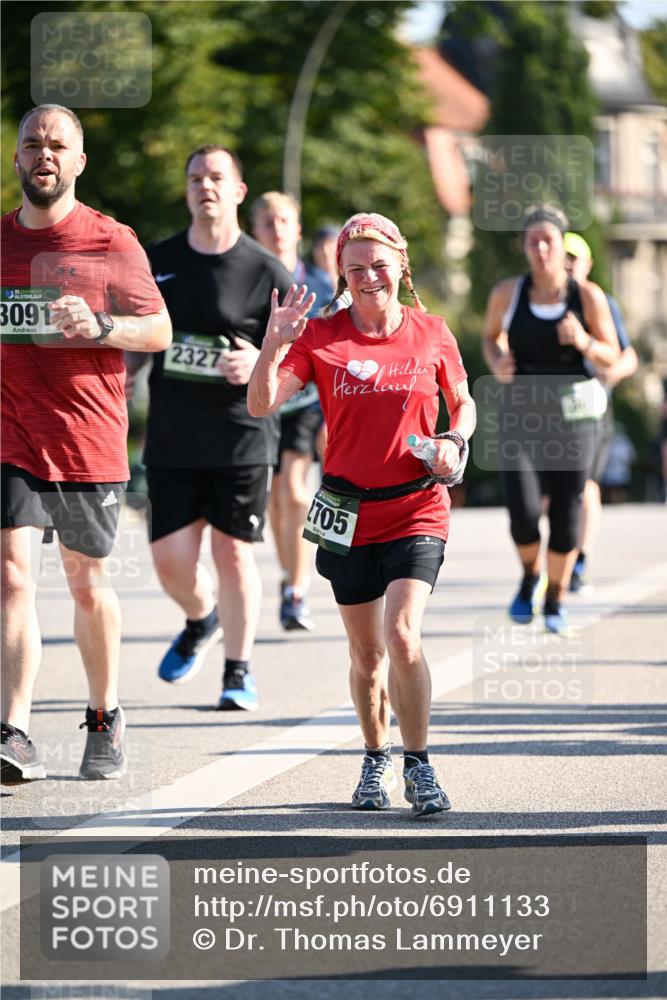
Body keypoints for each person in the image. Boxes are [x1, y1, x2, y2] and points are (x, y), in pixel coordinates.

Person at [248, 212, 476, 817]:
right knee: (367, 656)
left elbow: (464, 402)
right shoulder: (322, 337)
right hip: (346, 514)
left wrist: (455, 441)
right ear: (341, 275)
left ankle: (419, 764)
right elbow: (261, 402)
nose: (369, 276)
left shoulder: (431, 332)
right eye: (355, 268)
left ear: (401, 263)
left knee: (402, 635)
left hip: (416, 507)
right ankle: (374, 757)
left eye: (379, 264)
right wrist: (274, 344)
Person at [1, 104, 171, 782]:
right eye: (32, 144)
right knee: (12, 577)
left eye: (57, 145)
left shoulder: (110, 241)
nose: (44, 154)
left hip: (85, 437)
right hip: (10, 433)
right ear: (16, 159)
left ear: (78, 163)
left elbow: (158, 331)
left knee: (86, 584)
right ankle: (13, 729)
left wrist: (101, 325)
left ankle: (104, 714)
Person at [131, 149, 293, 710]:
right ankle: (203, 619)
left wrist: (260, 363)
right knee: (171, 562)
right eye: (196, 178)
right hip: (173, 436)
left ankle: (238, 671)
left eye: (216, 178)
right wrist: (124, 375)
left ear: (239, 191)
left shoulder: (266, 270)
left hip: (239, 435)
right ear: (186, 190)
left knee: (233, 554)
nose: (206, 187)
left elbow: (298, 357)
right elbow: (139, 331)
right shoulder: (157, 261)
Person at [483, 206, 620, 634]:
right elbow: (490, 337)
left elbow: (612, 354)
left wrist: (584, 342)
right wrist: (499, 359)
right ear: (524, 247)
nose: (541, 249)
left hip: (574, 419)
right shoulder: (508, 293)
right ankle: (529, 576)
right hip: (522, 414)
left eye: (549, 241)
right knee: (522, 511)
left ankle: (556, 596)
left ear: (563, 247)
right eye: (533, 241)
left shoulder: (588, 297)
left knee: (566, 514)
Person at [250, 193, 336, 631]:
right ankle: (288, 578)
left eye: (285, 220)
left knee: (294, 491)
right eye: (268, 221)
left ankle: (298, 591)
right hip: (263, 402)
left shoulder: (321, 285)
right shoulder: (246, 278)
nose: (277, 228)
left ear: (297, 229)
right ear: (256, 230)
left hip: (306, 403)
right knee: (275, 499)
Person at [562, 232, 638, 591]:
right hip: (546, 409)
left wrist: (612, 370)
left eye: (573, 258)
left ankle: (581, 561)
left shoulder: (600, 300)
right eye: (562, 257)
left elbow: (629, 356)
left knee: (584, 485)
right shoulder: (540, 299)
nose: (566, 264)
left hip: (589, 404)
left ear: (588, 264)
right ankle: (561, 555)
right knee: (552, 492)